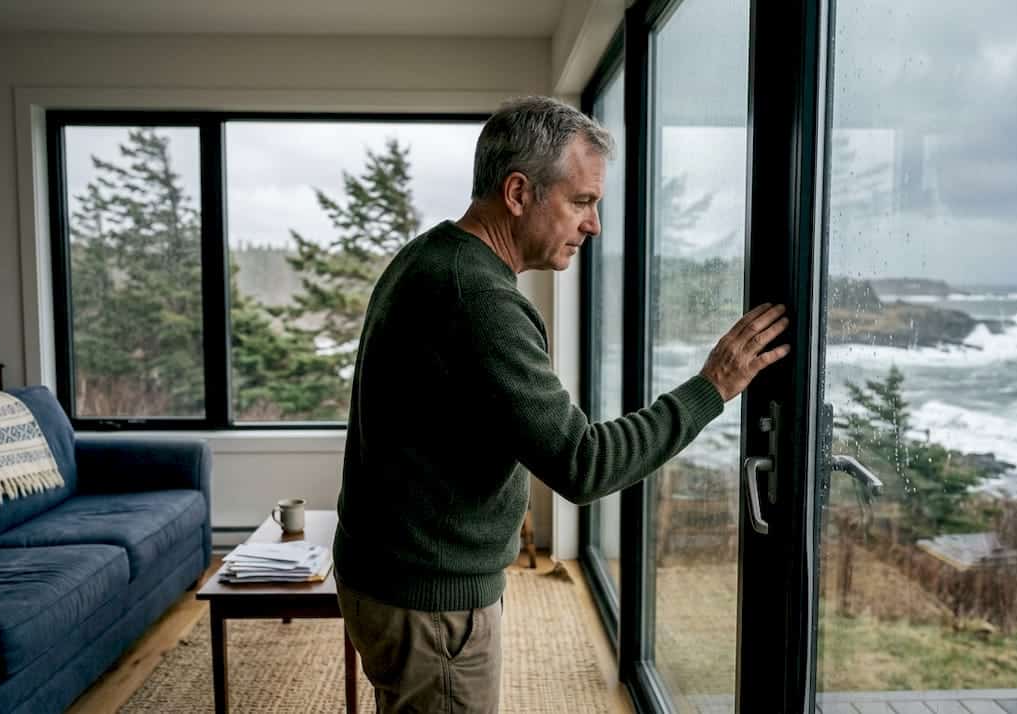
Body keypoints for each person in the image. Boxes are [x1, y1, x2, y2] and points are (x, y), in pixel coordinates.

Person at [333, 96, 789, 713]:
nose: (593, 225)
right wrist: (713, 386)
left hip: (385, 573)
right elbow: (584, 464)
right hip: (429, 603)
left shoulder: (431, 255)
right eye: (581, 201)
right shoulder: (480, 300)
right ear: (519, 193)